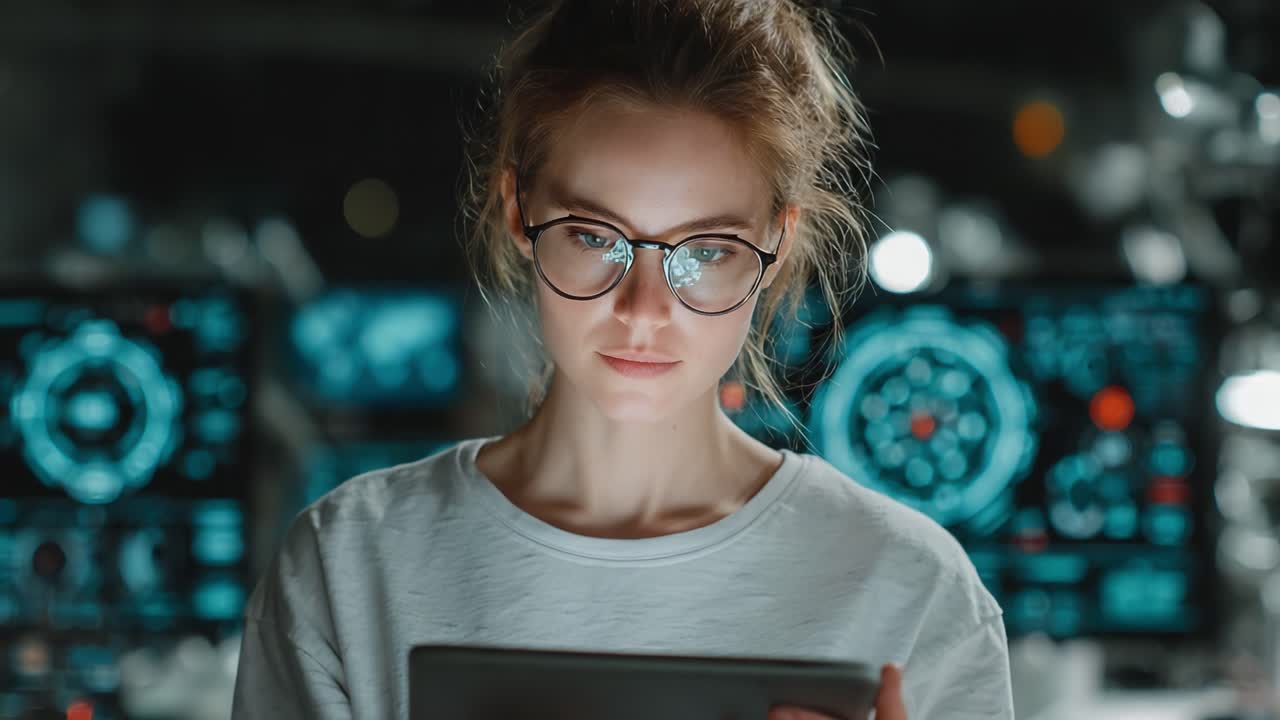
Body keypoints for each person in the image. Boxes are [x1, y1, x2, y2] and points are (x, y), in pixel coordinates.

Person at [230, 0, 1014, 718]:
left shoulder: (912, 595)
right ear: (517, 210)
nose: (643, 309)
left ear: (775, 246)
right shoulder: (349, 569)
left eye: (706, 250)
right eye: (595, 237)